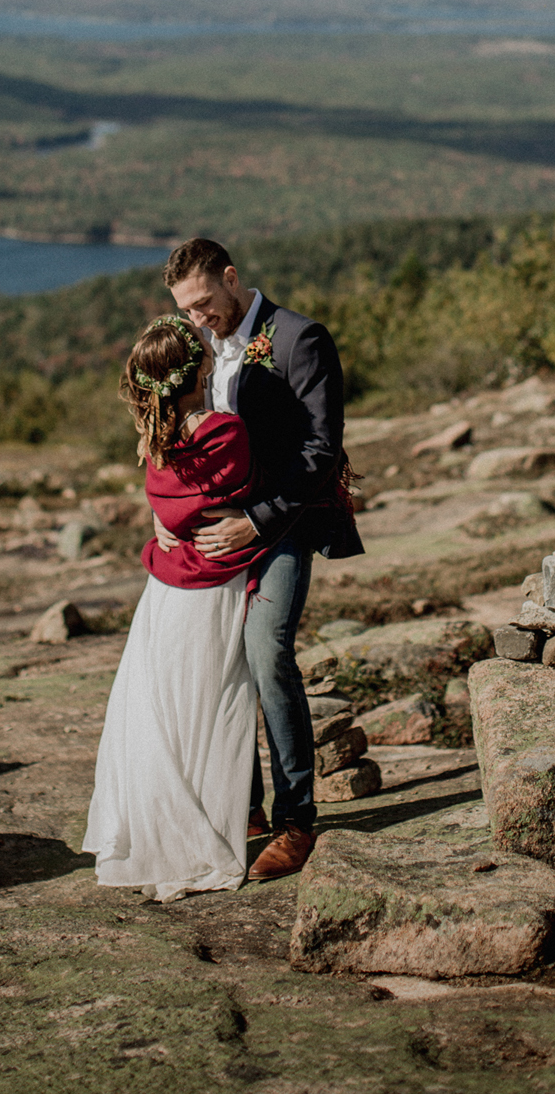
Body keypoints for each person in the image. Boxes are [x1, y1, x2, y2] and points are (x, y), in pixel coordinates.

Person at [159, 236, 364, 882]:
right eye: (185, 311)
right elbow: (173, 433)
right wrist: (168, 517)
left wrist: (256, 522)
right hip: (213, 535)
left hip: (283, 524)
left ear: (231, 277)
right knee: (214, 657)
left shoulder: (299, 338)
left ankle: (297, 820)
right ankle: (240, 802)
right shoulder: (197, 346)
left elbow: (321, 451)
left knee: (267, 650)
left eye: (203, 303)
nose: (197, 318)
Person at [80, 314, 262, 901]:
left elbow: (174, 506)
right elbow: (211, 502)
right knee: (210, 709)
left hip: (164, 590)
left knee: (162, 710)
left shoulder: (158, 437)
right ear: (201, 367)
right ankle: (197, 835)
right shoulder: (225, 431)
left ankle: (166, 832)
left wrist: (167, 518)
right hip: (209, 588)